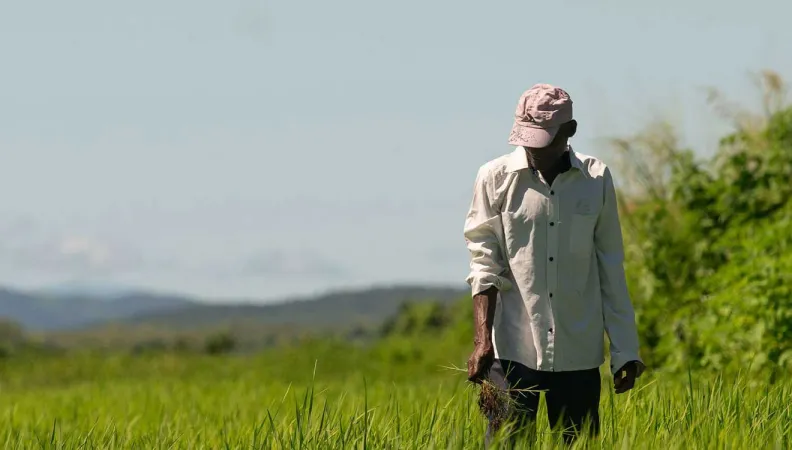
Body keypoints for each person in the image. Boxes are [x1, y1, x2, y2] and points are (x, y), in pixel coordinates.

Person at [463, 84, 645, 445]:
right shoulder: (494, 178)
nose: (533, 150)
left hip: (577, 350)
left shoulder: (596, 179)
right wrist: (482, 341)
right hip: (511, 349)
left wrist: (625, 351)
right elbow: (484, 264)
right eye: (527, 139)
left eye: (543, 141)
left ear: (569, 131)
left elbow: (610, 266)